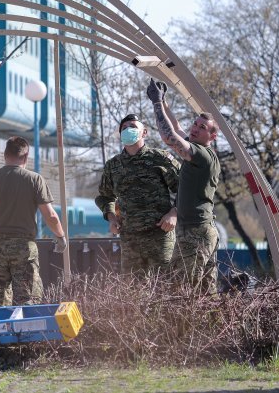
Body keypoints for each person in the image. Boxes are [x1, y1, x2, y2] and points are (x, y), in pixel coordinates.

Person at [0, 136, 67, 306]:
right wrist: (60, 236)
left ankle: (0, 331)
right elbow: (50, 215)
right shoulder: (34, 179)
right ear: (26, 156)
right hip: (24, 247)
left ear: (5, 155)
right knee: (27, 299)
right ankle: (25, 332)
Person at [146, 79, 221, 292]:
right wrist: (164, 101)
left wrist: (157, 103)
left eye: (202, 127)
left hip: (195, 233)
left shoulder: (201, 155)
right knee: (205, 295)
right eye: (195, 124)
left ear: (212, 136)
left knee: (181, 292)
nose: (195, 129)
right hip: (201, 230)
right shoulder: (200, 151)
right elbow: (177, 129)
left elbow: (169, 137)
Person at [95, 113, 181, 275]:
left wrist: (174, 213)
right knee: (132, 292)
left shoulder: (160, 159)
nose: (128, 130)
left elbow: (185, 189)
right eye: (124, 128)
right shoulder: (113, 165)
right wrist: (112, 218)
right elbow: (105, 197)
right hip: (130, 240)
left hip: (160, 236)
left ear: (144, 132)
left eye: (133, 127)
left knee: (164, 288)